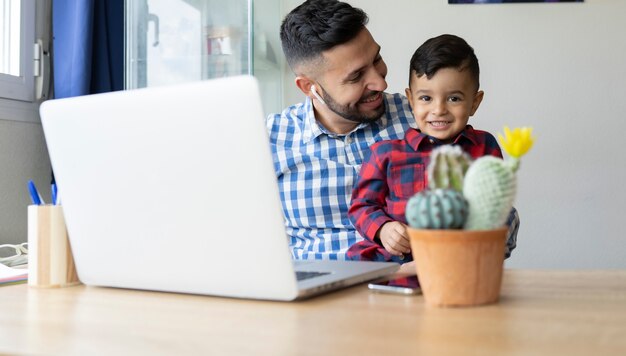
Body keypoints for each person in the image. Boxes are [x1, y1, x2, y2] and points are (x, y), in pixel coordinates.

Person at [266, 0, 416, 260]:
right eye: (356, 76)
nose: (380, 82)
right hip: (315, 294)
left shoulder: (421, 119)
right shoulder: (268, 141)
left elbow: (498, 230)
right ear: (309, 87)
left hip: (410, 286)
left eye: (377, 59)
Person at [347, 34, 518, 262]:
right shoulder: (384, 153)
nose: (439, 110)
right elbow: (361, 206)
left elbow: (497, 203)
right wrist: (383, 229)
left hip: (460, 261)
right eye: (426, 98)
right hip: (399, 262)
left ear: (474, 102)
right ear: (411, 99)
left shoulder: (484, 145)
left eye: (454, 99)